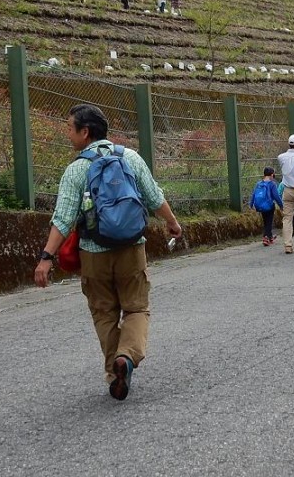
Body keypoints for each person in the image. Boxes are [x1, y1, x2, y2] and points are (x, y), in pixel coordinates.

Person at [33, 104, 182, 401]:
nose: (68, 134)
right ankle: (126, 357)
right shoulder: (130, 157)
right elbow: (154, 197)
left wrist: (46, 258)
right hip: (131, 249)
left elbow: (63, 219)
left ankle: (115, 369)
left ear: (85, 132)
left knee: (104, 312)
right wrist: (172, 222)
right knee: (137, 308)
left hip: (93, 252)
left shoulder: (76, 169)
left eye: (69, 128)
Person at [249, 166, 283, 246]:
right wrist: (281, 205)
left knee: (266, 221)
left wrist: (251, 205)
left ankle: (270, 237)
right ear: (271, 175)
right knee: (269, 222)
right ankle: (266, 237)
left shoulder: (259, 183)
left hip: (260, 206)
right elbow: (276, 196)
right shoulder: (272, 184)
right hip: (269, 206)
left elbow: (253, 194)